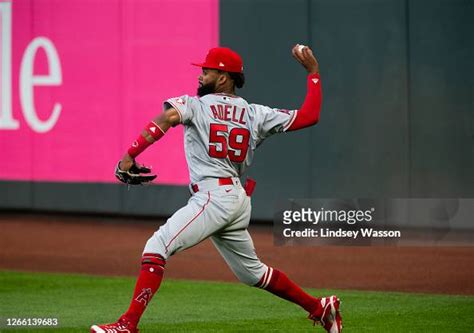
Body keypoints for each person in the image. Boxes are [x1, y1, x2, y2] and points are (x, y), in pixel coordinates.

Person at [91, 44, 342, 333]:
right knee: (253, 273)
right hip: (236, 199)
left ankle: (127, 325)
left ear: (224, 77)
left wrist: (129, 157)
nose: (201, 75)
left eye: (207, 71)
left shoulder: (194, 105)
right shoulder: (254, 113)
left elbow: (164, 120)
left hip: (214, 197)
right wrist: (313, 73)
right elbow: (309, 115)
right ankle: (320, 307)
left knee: (157, 246)